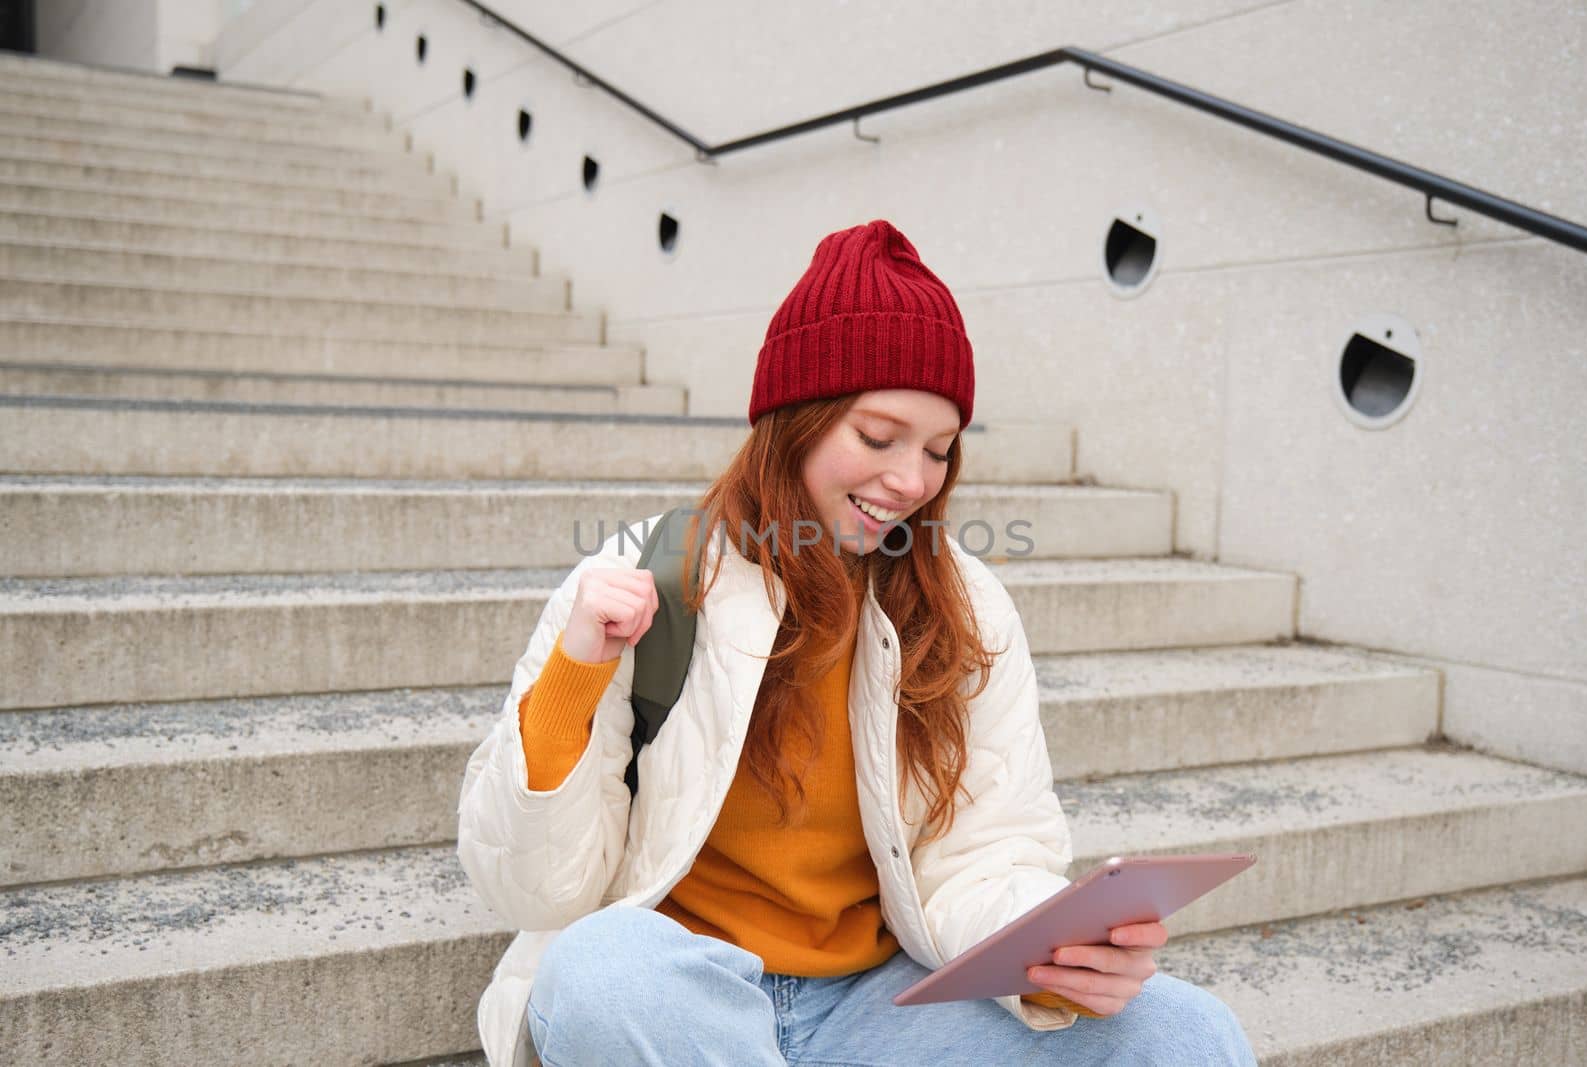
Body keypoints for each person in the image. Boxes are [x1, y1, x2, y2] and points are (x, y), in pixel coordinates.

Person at [456, 219, 1256, 1066]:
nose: (912, 481)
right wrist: (577, 673)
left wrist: (1043, 950)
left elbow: (987, 853)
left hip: (876, 1007)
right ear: (796, 417)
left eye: (939, 451)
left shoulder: (967, 607)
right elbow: (536, 888)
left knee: (1183, 1033)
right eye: (878, 438)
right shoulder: (647, 575)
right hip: (685, 999)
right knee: (600, 970)